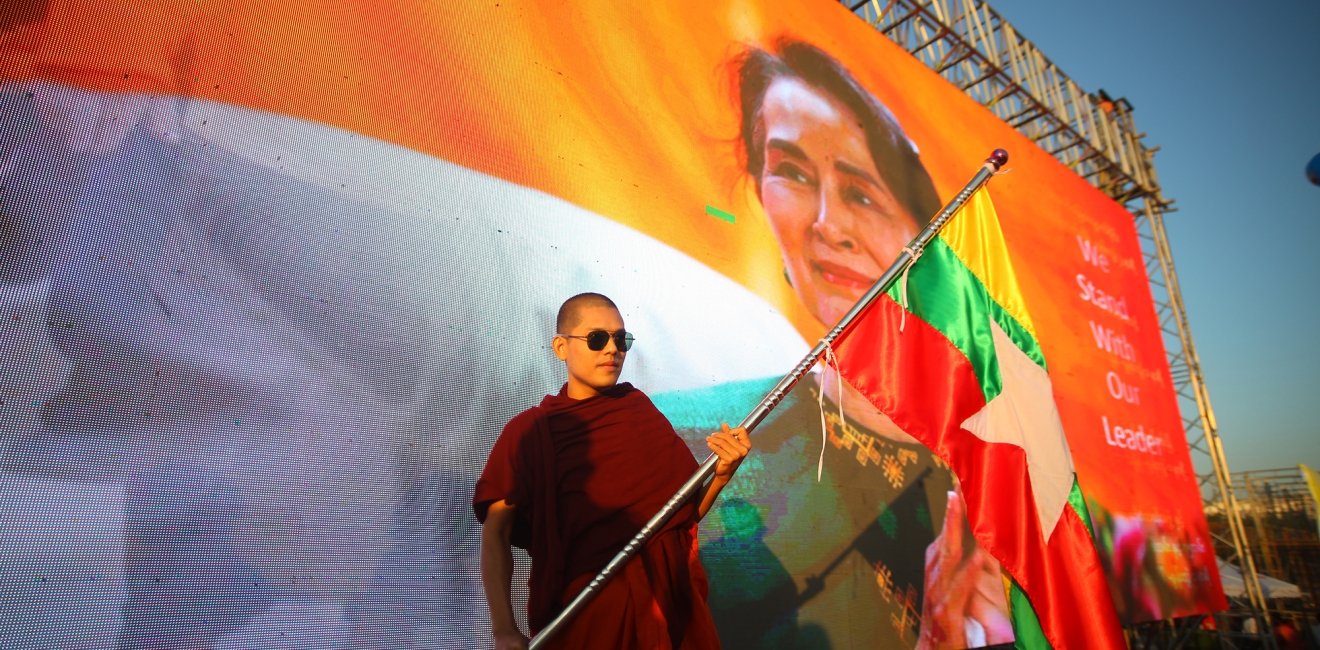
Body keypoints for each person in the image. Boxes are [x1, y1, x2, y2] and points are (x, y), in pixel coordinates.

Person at [653, 39, 1012, 648]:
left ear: (917, 233)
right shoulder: (684, 436)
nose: (826, 224)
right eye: (790, 171)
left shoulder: (991, 473)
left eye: (862, 192)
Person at [473, 292, 752, 649]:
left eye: (621, 339)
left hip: (665, 611)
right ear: (561, 347)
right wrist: (503, 629)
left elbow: (681, 515)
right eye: (596, 339)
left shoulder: (639, 412)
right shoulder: (531, 431)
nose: (612, 350)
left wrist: (723, 474)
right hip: (585, 617)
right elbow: (496, 532)